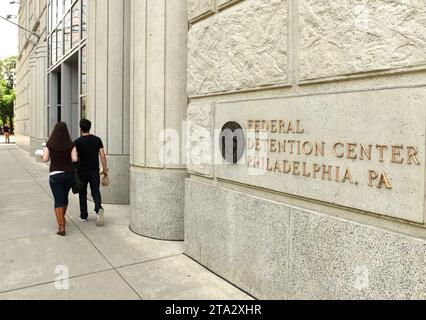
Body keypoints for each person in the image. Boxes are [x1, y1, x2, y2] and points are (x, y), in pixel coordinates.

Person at [42, 122, 78, 236]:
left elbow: (45, 159)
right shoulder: (71, 144)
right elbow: (75, 159)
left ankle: (61, 226)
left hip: (55, 175)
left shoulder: (50, 143)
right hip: (69, 174)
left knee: (58, 199)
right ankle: (62, 218)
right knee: (64, 197)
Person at [74, 119, 108, 226]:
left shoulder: (77, 142)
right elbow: (102, 156)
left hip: (82, 172)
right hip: (94, 171)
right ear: (90, 127)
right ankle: (98, 209)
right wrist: (104, 169)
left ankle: (83, 215)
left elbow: (74, 158)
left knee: (82, 193)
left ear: (80, 128)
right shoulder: (97, 140)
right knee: (95, 192)